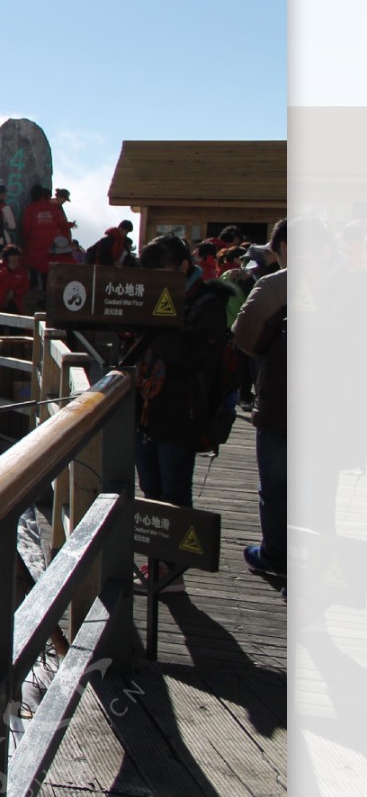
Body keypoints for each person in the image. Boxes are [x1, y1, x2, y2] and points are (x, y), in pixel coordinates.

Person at [128, 235, 240, 541]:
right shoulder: (149, 298)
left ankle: (172, 572)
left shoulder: (209, 304)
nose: (154, 280)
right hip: (145, 413)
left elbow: (199, 360)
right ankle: (157, 564)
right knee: (150, 493)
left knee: (175, 498)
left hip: (182, 415)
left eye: (160, 272)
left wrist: (157, 326)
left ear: (183, 266)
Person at [233, 218, 286, 584]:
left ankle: (275, 555)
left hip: (281, 405)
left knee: (277, 487)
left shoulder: (276, 285)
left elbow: (246, 338)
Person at [18, 185, 65, 292]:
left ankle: (33, 289)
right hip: (50, 246)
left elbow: (26, 227)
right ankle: (46, 293)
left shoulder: (30, 209)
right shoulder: (53, 209)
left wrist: (25, 237)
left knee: (33, 267)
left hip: (33, 244)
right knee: (46, 270)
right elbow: (60, 223)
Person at [0, 244, 32, 314]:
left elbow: (25, 285)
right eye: (12, 256)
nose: (14, 258)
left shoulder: (22, 270)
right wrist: (8, 269)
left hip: (14, 302)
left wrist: (15, 293)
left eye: (16, 256)